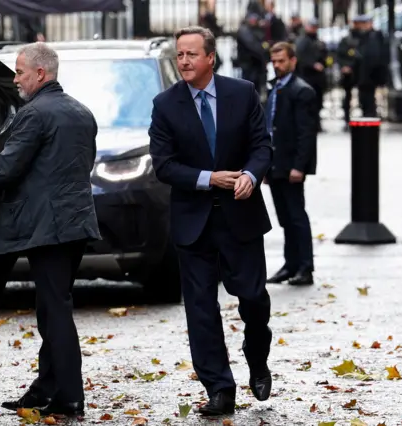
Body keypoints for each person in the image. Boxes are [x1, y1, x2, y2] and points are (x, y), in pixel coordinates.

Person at [0, 42, 101, 417]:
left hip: (48, 226)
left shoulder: (34, 114)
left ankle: (70, 397)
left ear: (40, 74)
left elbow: (9, 165)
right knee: (50, 306)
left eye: (20, 71)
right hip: (75, 223)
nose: (14, 78)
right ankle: (46, 388)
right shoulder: (81, 112)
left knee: (54, 310)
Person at [148, 25, 274, 416]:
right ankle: (220, 388)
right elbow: (164, 165)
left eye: (190, 54)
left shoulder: (242, 93)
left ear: (210, 58)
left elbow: (261, 145)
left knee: (253, 300)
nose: (183, 61)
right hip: (193, 222)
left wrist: (251, 176)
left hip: (242, 217)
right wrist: (208, 179)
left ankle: (256, 359)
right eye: (179, 55)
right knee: (201, 309)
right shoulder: (165, 104)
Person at [264, 42, 317, 286]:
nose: (277, 65)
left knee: (296, 216)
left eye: (281, 61)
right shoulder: (275, 89)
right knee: (285, 217)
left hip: (291, 165)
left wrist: (300, 166)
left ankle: (305, 267)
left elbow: (306, 134)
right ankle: (290, 264)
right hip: (276, 164)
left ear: (293, 61)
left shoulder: (301, 91)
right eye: (274, 61)